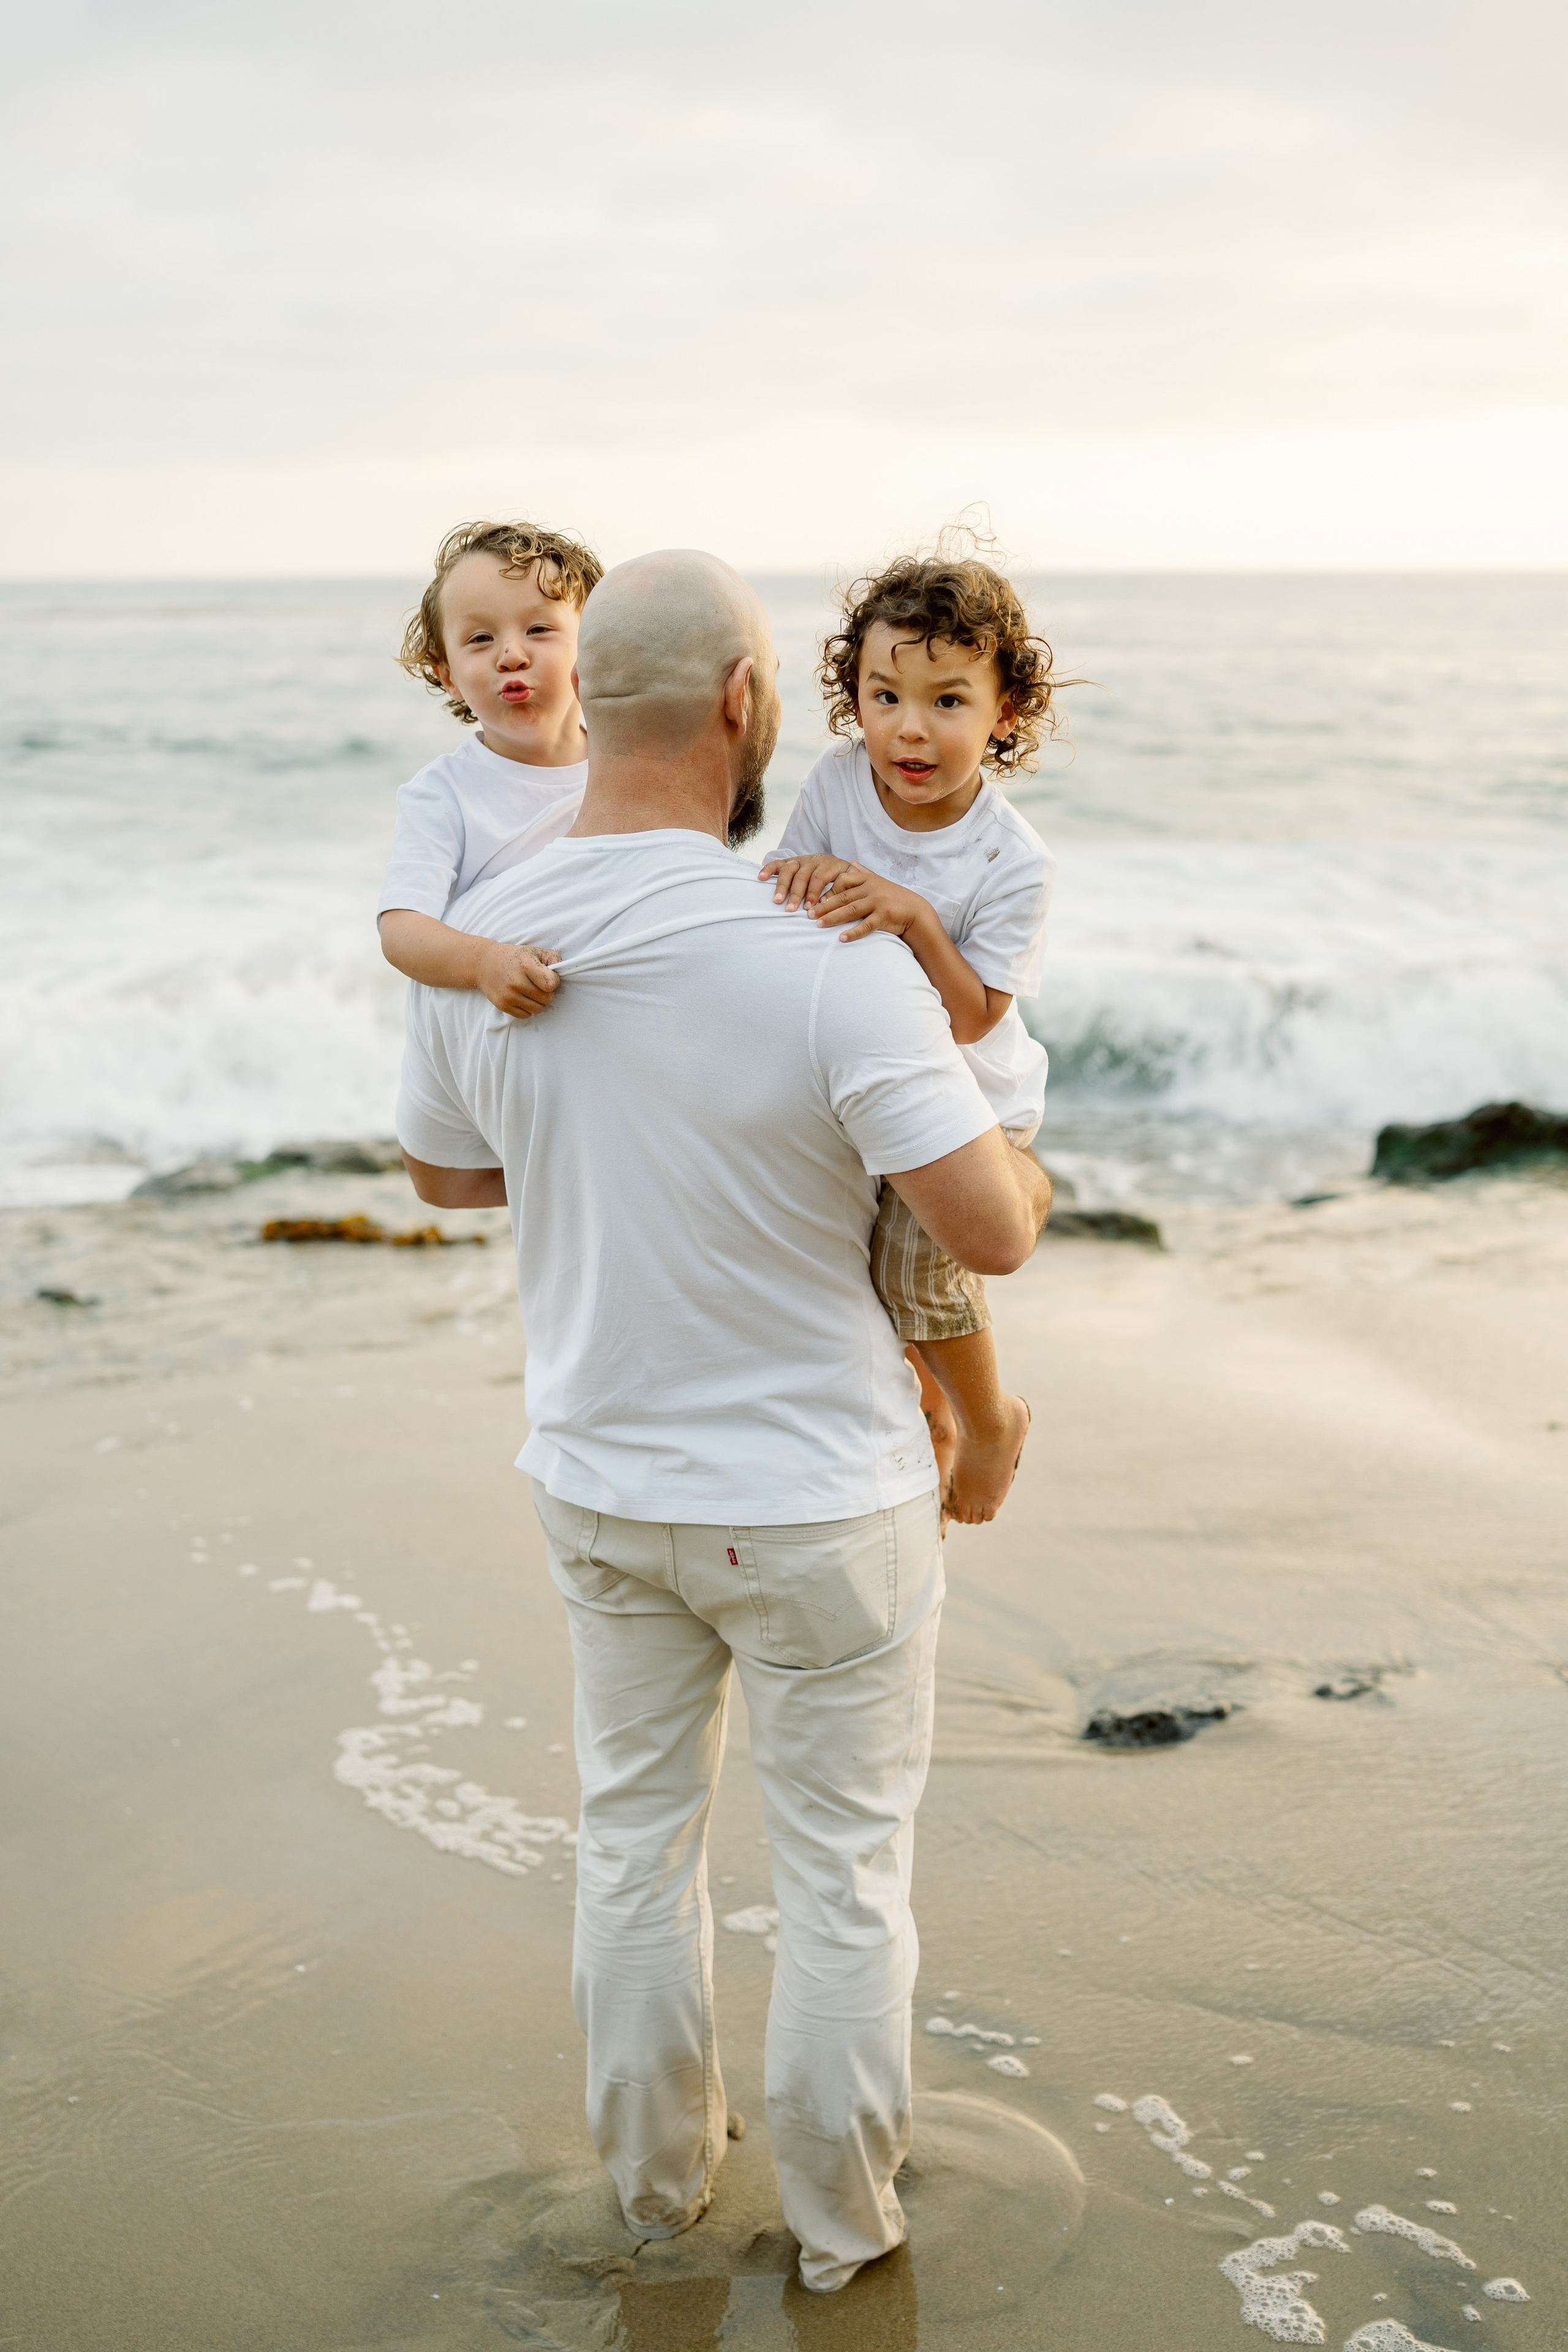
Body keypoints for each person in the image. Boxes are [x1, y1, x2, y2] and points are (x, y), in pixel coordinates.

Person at [395, 551, 1051, 2296]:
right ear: (753, 708)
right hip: (827, 1501)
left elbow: (450, 1176)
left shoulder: (488, 939)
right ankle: (845, 2231)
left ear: (584, 700)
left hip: (604, 1487)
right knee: (842, 1876)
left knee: (633, 1844)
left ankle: (655, 2198)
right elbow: (986, 1232)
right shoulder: (827, 953)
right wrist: (1031, 1168)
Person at [760, 549, 1060, 1526]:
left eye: (948, 700)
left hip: (972, 1100)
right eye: (884, 695)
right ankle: (929, 1421)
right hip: (859, 1083)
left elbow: (977, 1016)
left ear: (1004, 711)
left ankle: (989, 1418)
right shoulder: (840, 782)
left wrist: (911, 916)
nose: (911, 728)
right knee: (854, 1280)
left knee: (914, 1267)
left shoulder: (1012, 859)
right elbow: (785, 887)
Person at [377, 516, 602, 1017]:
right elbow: (402, 928)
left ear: (593, 646)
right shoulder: (444, 792)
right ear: (449, 676)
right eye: (480, 639)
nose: (511, 655)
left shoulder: (629, 765)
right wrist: (485, 964)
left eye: (539, 629)